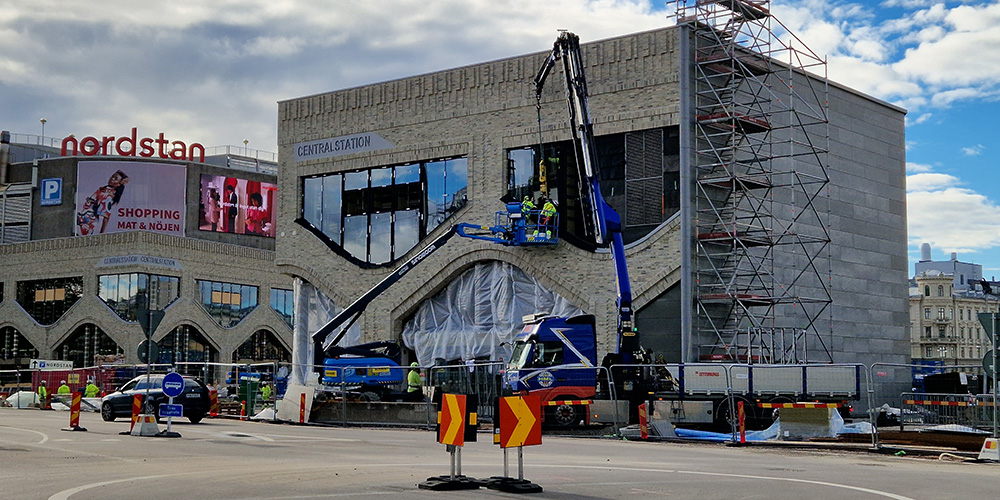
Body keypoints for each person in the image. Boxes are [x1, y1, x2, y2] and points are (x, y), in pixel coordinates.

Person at [76, 170, 129, 235]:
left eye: (115, 179)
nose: (112, 179)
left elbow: (106, 216)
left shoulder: (108, 195)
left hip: (88, 222)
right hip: (82, 217)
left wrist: (101, 234)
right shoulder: (102, 189)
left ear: (118, 184)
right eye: (112, 176)